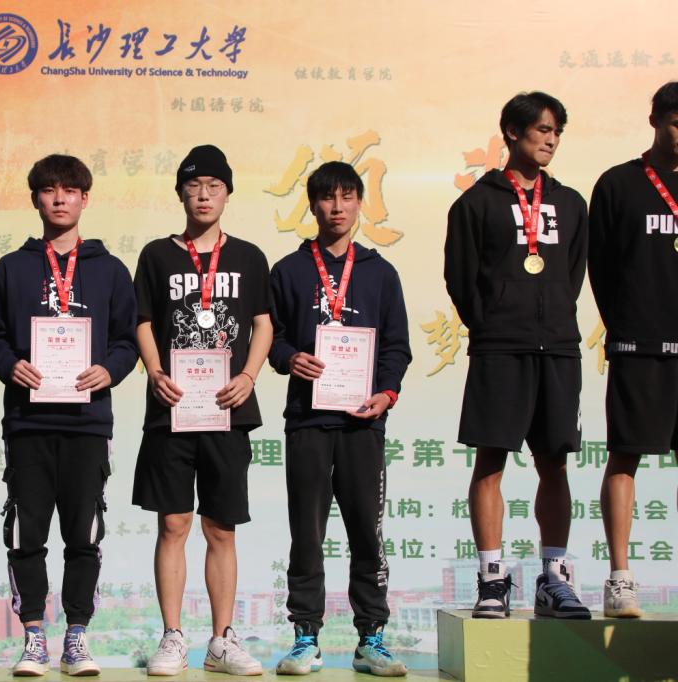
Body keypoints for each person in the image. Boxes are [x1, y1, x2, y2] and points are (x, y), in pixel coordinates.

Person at [0, 155, 138, 677]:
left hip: (87, 423)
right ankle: (33, 635)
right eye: (48, 189)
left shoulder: (110, 270)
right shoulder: (11, 268)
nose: (59, 198)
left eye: (69, 190)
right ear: (35, 199)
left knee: (84, 533)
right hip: (27, 423)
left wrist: (109, 370)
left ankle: (76, 635)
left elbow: (127, 341)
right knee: (25, 533)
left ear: (84, 199)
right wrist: (10, 365)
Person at [444, 92, 590, 619]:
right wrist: (493, 323)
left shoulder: (570, 203)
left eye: (557, 132)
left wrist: (551, 318)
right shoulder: (476, 203)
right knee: (491, 461)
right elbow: (461, 279)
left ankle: (555, 578)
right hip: (500, 349)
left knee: (555, 462)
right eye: (543, 129)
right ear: (512, 131)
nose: (551, 140)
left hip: (558, 348)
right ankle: (492, 579)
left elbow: (572, 273)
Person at [132, 145, 272, 676]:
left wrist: (248, 376)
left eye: (214, 186)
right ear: (181, 194)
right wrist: (154, 371)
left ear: (228, 193)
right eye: (194, 186)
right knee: (173, 523)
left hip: (226, 409)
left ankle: (221, 640)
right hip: (172, 408)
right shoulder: (157, 255)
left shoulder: (250, 257)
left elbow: (263, 323)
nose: (204, 195)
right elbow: (143, 320)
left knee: (221, 527)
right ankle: (172, 636)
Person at [268, 162, 411, 676]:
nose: (337, 207)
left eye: (347, 197)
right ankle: (305, 637)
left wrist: (386, 394)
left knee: (366, 532)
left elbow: (397, 347)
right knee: (306, 533)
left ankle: (371, 637)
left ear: (359, 203)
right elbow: (271, 337)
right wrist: (290, 358)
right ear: (312, 205)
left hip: (362, 422)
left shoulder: (380, 272)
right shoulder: (288, 270)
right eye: (327, 197)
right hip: (308, 420)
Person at [588, 81, 678, 618]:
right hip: (639, 345)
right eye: (676, 122)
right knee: (625, 455)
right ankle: (620, 577)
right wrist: (624, 323)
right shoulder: (619, 184)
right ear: (655, 121)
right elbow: (599, 264)